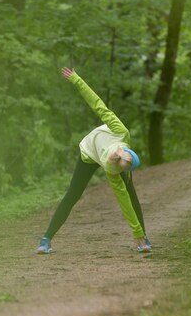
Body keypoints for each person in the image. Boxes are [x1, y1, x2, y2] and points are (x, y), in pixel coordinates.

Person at [36, 67, 151, 254]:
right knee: (73, 194)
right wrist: (76, 80)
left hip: (106, 154)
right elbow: (97, 105)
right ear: (126, 149)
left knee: (130, 194)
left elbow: (99, 104)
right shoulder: (120, 134)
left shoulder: (116, 164)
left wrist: (75, 78)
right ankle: (46, 238)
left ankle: (142, 238)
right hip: (89, 151)